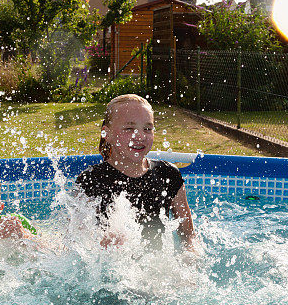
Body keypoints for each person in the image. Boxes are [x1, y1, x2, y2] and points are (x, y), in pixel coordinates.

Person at [75, 94, 197, 251]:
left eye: (147, 129)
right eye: (129, 128)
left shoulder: (168, 175)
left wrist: (190, 259)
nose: (140, 136)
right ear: (107, 134)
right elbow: (75, 244)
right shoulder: (91, 181)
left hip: (157, 268)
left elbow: (189, 236)